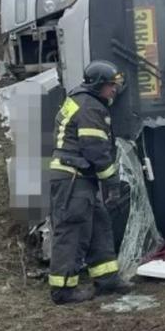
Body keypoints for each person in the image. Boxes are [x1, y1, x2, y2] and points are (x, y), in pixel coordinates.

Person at [47, 60, 133, 305]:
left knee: (99, 225)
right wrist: (113, 183)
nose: (114, 90)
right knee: (73, 231)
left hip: (78, 178)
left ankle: (106, 279)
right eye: (110, 86)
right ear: (97, 85)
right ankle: (63, 290)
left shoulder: (83, 100)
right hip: (73, 178)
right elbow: (95, 150)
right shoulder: (90, 108)